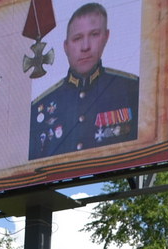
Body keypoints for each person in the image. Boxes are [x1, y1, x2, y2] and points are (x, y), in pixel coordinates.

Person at [29, 2, 139, 159]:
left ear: (106, 37)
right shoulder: (42, 106)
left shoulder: (131, 89)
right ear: (66, 46)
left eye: (94, 34)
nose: (85, 46)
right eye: (77, 38)